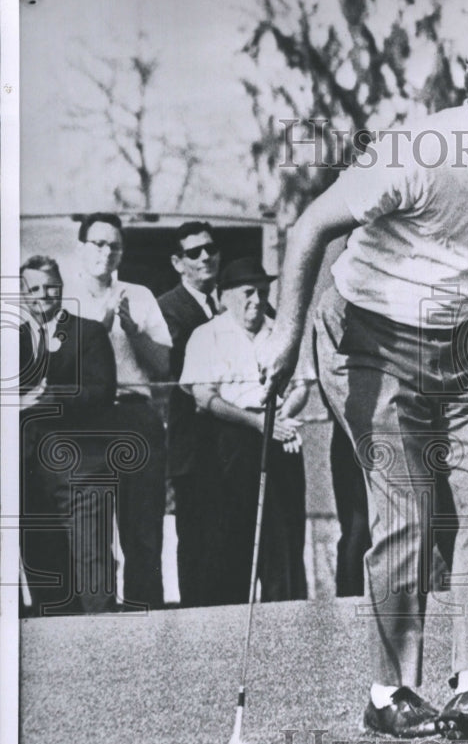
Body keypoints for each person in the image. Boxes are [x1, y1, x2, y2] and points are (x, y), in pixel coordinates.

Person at [255, 29, 468, 740]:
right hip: (364, 337)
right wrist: (284, 339)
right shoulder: (417, 152)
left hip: (461, 340)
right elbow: (309, 229)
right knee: (404, 510)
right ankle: (387, 691)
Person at [179, 257, 309, 604]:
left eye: (263, 292)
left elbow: (300, 387)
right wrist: (258, 424)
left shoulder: (282, 333)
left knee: (283, 538)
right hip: (228, 439)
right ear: (224, 297)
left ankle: (286, 621)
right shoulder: (207, 335)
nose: (256, 300)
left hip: (279, 434)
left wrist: (281, 418)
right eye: (248, 293)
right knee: (229, 536)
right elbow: (204, 396)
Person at [64, 213, 171, 609]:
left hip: (134, 414)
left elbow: (162, 367)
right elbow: (63, 366)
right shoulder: (63, 295)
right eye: (98, 243)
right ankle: (101, 628)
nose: (106, 253)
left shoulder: (139, 295)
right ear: (81, 248)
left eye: (114, 245)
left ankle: (147, 621)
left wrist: (132, 330)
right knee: (91, 533)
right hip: (86, 419)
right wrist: (100, 327)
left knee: (143, 530)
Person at [19, 256, 117, 614]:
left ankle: (105, 649)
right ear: (23, 294)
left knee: (93, 567)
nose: (42, 295)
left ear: (61, 287)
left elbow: (103, 390)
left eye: (49, 286)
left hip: (81, 467)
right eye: (33, 289)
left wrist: (54, 394)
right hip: (28, 471)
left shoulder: (89, 332)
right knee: (44, 569)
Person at [158, 222, 223, 607]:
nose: (204, 257)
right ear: (177, 262)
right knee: (198, 543)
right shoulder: (167, 309)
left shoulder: (237, 303)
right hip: (193, 448)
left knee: (228, 541)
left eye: (210, 249)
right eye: (194, 252)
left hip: (234, 444)